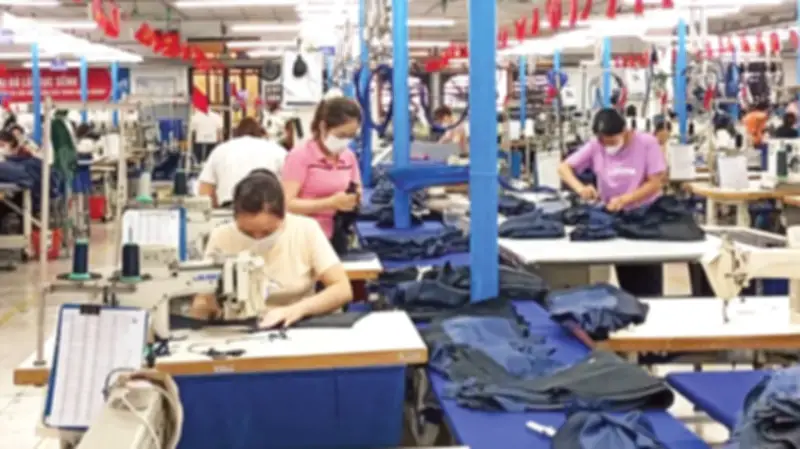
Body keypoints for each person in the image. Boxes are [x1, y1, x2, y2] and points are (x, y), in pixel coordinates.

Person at [191, 169, 353, 327]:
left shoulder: (305, 230)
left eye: (267, 232)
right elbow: (203, 297)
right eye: (247, 232)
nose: (258, 238)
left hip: (295, 326)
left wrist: (296, 310)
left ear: (283, 215)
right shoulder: (222, 236)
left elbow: (342, 289)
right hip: (237, 329)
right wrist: (203, 307)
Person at [557, 108, 667, 296]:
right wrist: (581, 189)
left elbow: (655, 182)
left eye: (612, 141)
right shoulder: (596, 145)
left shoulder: (647, 143)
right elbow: (564, 168)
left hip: (645, 218)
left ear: (625, 131)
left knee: (648, 281)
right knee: (626, 275)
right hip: (616, 218)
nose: (607, 146)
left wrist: (626, 199)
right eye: (603, 141)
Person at [282, 97, 362, 242]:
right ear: (323, 127)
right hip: (304, 238)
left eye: (351, 136)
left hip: (337, 236)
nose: (345, 141)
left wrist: (354, 198)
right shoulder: (300, 157)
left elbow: (356, 188)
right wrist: (329, 203)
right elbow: (286, 204)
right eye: (341, 135)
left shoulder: (348, 157)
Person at [198, 117, 287, 208]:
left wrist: (215, 208)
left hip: (230, 207)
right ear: (261, 133)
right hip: (267, 207)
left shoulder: (220, 150)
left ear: (235, 133)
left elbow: (205, 191)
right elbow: (288, 187)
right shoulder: (277, 150)